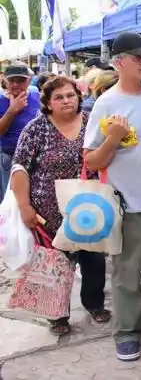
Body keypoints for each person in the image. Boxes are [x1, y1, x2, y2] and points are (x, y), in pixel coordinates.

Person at [84, 32, 141, 362]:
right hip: (128, 203)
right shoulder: (106, 103)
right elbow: (91, 159)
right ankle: (127, 332)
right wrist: (113, 139)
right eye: (136, 57)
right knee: (127, 274)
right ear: (119, 63)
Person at [11, 76, 110, 336]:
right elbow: (19, 168)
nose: (67, 100)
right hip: (49, 213)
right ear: (48, 103)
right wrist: (24, 206)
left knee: (94, 261)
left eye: (70, 95)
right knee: (57, 265)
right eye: (59, 97)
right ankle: (59, 315)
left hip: (89, 208)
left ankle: (94, 304)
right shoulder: (36, 129)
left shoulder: (91, 122)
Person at [0, 63, 41, 194]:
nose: (16, 84)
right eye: (12, 80)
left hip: (36, 157)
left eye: (21, 80)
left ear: (28, 81)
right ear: (5, 82)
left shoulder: (35, 94)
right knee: (11, 199)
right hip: (10, 157)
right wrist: (12, 111)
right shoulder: (0, 100)